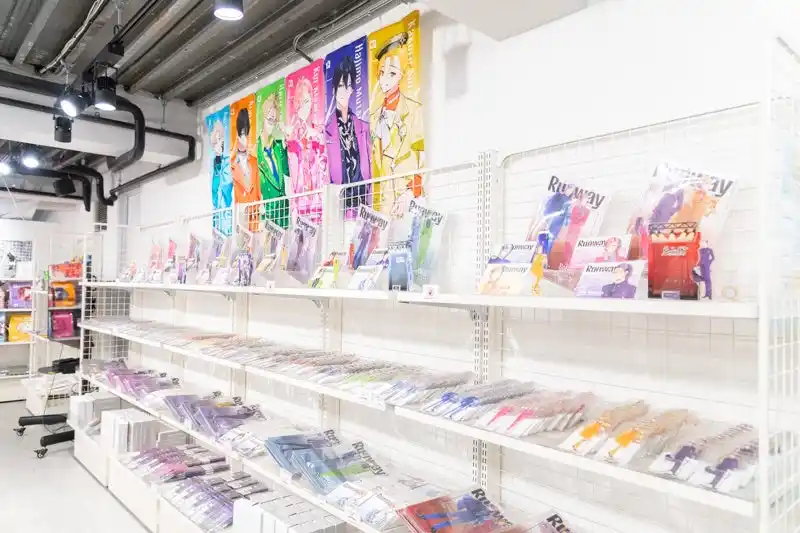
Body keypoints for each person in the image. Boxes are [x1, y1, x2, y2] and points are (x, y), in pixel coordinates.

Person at [370, 32, 424, 212]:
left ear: (401, 75)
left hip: (407, 200)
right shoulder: (374, 118)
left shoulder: (414, 110)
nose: (385, 79)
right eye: (382, 73)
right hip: (383, 204)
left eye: (392, 73)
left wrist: (410, 192)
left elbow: (422, 157)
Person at [325, 55, 371, 219]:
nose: (345, 91)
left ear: (352, 90)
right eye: (341, 86)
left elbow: (369, 164)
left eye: (349, 86)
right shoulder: (326, 132)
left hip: (363, 202)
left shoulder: (363, 127)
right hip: (340, 205)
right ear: (334, 90)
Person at [287, 77, 326, 222]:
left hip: (317, 199)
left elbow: (323, 166)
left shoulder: (318, 133)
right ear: (295, 104)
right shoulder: (291, 137)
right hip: (299, 201)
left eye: (306, 101)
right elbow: (291, 174)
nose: (303, 106)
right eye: (300, 102)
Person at [257, 93, 290, 228]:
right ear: (263, 118)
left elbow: (287, 172)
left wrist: (286, 147)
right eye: (270, 119)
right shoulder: (255, 151)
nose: (272, 124)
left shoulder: (279, 147)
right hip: (267, 213)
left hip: (283, 212)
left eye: (275, 120)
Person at [231, 107, 262, 230]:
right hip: (240, 220)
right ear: (237, 136)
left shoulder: (254, 162)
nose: (246, 138)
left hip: (255, 219)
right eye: (243, 134)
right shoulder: (231, 166)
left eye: (247, 134)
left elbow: (258, 192)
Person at [210, 120, 232, 234]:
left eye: (220, 140)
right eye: (216, 141)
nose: (218, 144)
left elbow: (227, 185)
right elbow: (214, 190)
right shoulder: (213, 165)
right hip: (217, 216)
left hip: (227, 213)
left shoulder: (227, 162)